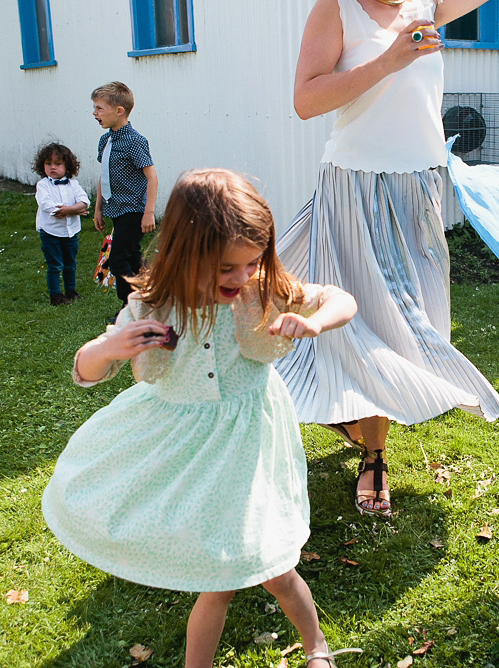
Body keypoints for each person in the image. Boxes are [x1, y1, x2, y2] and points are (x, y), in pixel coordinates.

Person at [43, 169, 360, 668]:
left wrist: (315, 320)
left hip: (249, 441)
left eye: (252, 262)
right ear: (188, 255)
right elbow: (85, 370)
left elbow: (342, 300)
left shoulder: (262, 288)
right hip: (181, 442)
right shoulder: (154, 305)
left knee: (272, 567)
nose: (242, 277)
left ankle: (317, 647)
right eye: (226, 268)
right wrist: (107, 348)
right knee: (219, 574)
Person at [282, 0, 499, 516]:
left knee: (415, 324)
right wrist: (388, 59)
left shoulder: (427, 3)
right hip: (354, 186)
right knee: (359, 323)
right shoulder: (335, 7)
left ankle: (357, 422)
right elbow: (306, 100)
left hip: (418, 187)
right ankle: (373, 455)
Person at [91, 81, 158, 317]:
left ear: (119, 111)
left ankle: (131, 306)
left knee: (118, 259)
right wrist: (98, 208)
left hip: (133, 210)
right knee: (132, 257)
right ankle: (152, 296)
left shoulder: (135, 141)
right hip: (116, 209)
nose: (94, 113)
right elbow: (103, 175)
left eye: (99, 108)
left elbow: (151, 177)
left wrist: (148, 212)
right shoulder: (106, 140)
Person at [32, 142, 90, 306]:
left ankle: (71, 291)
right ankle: (56, 296)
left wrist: (71, 209)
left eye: (58, 164)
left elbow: (84, 201)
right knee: (55, 265)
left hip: (70, 232)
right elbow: (48, 206)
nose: (53, 167)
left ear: (67, 166)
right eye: (48, 163)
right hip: (51, 232)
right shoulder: (43, 185)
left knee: (70, 263)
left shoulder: (74, 185)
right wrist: (74, 210)